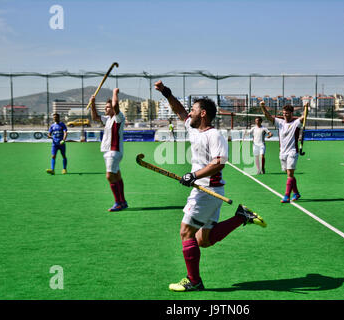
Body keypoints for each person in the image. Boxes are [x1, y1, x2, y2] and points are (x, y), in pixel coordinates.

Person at [155, 80, 266, 292]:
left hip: (207, 191)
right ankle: (241, 216)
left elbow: (218, 163)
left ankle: (193, 281)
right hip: (207, 191)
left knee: (186, 232)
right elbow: (179, 110)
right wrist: (167, 93)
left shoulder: (215, 135)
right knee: (203, 240)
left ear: (203, 113)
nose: (191, 113)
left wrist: (193, 175)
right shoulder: (193, 128)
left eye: (194, 109)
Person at [89, 88, 128, 212]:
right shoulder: (108, 119)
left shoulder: (118, 117)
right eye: (105, 107)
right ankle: (123, 202)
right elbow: (95, 117)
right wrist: (93, 104)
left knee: (109, 176)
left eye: (108, 107)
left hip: (114, 151)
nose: (106, 109)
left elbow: (116, 105)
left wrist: (115, 92)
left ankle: (118, 202)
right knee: (116, 176)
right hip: (108, 151)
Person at [260, 101, 302, 203]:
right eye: (283, 113)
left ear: (292, 113)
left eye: (287, 113)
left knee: (290, 174)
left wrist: (306, 108)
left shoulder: (296, 123)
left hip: (292, 151)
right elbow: (268, 116)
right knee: (288, 173)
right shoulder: (280, 122)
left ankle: (286, 195)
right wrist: (262, 107)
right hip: (282, 152)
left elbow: (304, 117)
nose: (284, 115)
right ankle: (296, 193)